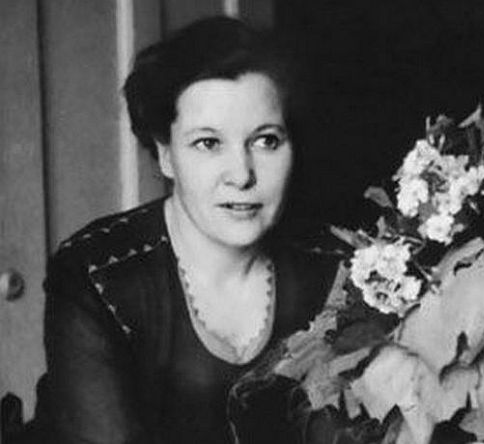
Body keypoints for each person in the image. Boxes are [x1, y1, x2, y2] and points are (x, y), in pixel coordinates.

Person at [33, 16, 338, 444]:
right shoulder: (97, 273)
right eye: (208, 143)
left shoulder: (338, 268)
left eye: (266, 140)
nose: (242, 175)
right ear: (165, 155)